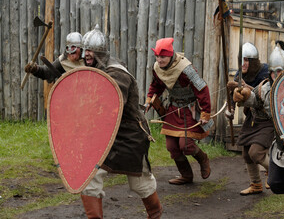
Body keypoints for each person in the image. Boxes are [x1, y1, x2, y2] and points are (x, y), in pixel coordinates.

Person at [80, 25, 162, 219]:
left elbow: (110, 106)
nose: (86, 54)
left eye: (90, 50)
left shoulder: (117, 74)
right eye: (85, 49)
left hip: (130, 135)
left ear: (100, 52)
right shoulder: (92, 70)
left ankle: (155, 214)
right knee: (90, 178)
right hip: (105, 135)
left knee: (140, 183)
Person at [233, 43, 284, 218]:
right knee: (275, 183)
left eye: (281, 71)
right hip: (281, 146)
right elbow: (256, 99)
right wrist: (245, 95)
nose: (276, 75)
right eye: (273, 72)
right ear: (269, 73)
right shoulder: (266, 88)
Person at [145, 37, 211, 185]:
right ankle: (186, 175)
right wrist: (150, 99)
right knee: (172, 147)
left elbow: (202, 89)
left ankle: (203, 159)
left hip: (189, 110)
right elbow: (156, 86)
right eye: (157, 56)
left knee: (186, 145)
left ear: (170, 55)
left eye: (162, 56)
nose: (159, 60)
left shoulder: (185, 68)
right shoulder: (157, 68)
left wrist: (206, 112)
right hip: (173, 109)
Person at [226, 42, 271, 196]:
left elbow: (266, 95)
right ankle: (256, 185)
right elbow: (234, 97)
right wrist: (230, 110)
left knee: (256, 153)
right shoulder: (239, 75)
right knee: (246, 153)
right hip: (252, 117)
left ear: (253, 61)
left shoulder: (266, 72)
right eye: (241, 60)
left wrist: (248, 88)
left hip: (267, 119)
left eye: (246, 60)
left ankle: (274, 174)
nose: (243, 64)